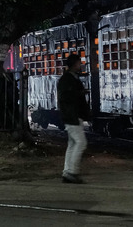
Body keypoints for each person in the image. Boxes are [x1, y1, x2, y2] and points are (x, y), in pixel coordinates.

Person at [57, 53, 90, 183]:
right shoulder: (68, 80)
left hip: (71, 115)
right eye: (78, 63)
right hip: (72, 115)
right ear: (74, 64)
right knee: (81, 143)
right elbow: (66, 97)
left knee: (72, 144)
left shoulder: (69, 78)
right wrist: (80, 93)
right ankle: (72, 172)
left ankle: (67, 172)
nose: (80, 65)